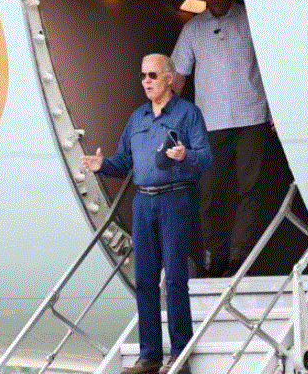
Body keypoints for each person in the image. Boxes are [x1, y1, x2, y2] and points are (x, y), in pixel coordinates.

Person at [81, 54, 213, 374]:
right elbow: (123, 161)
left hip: (175, 199)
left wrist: (185, 155)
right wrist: (102, 166)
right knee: (144, 280)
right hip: (143, 203)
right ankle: (150, 354)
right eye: (142, 76)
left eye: (153, 75)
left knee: (176, 279)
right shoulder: (137, 118)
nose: (146, 81)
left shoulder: (187, 113)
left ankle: (179, 354)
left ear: (169, 77)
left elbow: (205, 157)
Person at [171, 0, 273, 278]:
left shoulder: (251, 17)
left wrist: (279, 108)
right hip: (210, 123)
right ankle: (216, 258)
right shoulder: (193, 28)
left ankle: (238, 260)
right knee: (209, 193)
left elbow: (271, 63)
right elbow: (178, 77)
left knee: (249, 190)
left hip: (252, 116)